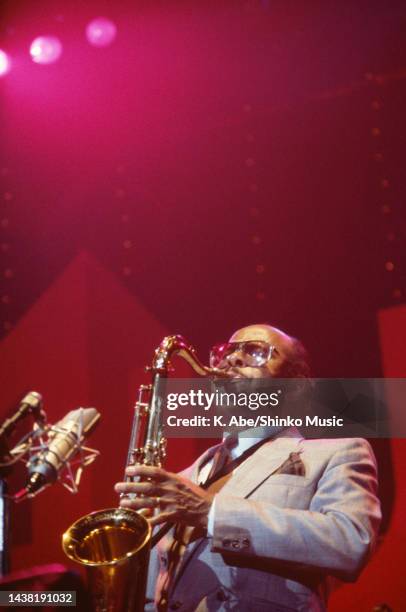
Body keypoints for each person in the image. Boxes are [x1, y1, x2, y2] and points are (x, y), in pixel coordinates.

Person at [115, 324, 381, 611]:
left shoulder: (338, 453)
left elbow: (351, 542)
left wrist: (212, 513)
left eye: (255, 350)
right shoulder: (182, 480)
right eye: (227, 352)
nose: (233, 359)